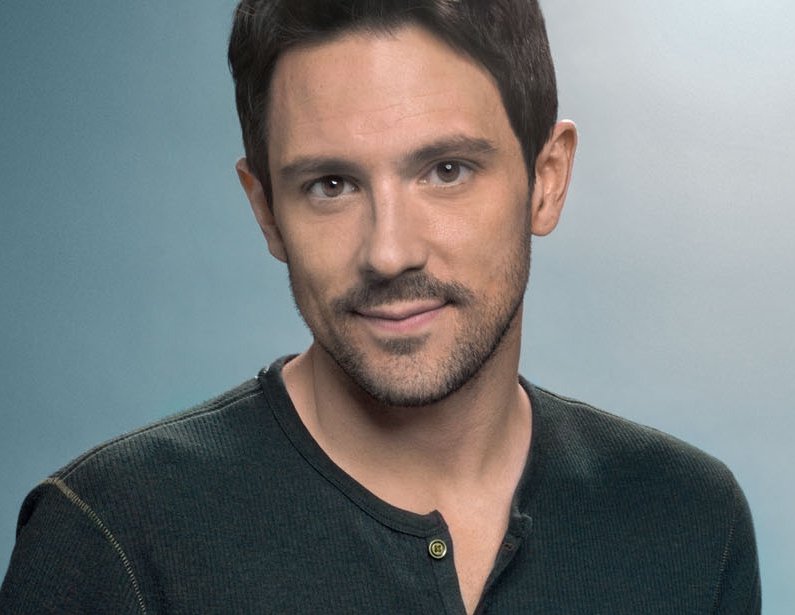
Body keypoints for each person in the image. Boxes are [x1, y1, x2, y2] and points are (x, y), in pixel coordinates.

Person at [0, 0, 761, 613]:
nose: (389, 252)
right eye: (330, 185)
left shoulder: (691, 522)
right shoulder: (112, 537)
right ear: (266, 212)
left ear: (547, 180)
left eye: (447, 170)